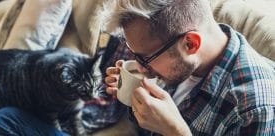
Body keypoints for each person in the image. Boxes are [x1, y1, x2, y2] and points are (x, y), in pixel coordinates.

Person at [103, 0, 275, 136]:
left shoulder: (253, 111)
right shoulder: (179, 60)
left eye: (145, 58)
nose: (140, 68)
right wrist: (134, 96)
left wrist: (175, 132)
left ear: (191, 44)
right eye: (135, 55)